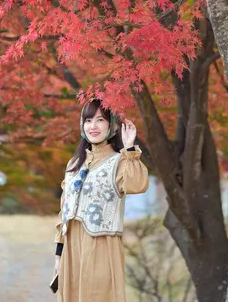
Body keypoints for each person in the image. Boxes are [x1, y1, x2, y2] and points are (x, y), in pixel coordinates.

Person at [52, 98, 149, 302]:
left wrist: (130, 148)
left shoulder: (120, 161)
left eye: (100, 120)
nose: (93, 126)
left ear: (111, 125)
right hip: (71, 249)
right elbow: (64, 212)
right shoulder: (74, 165)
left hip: (102, 247)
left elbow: (137, 184)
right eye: (88, 120)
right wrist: (58, 255)